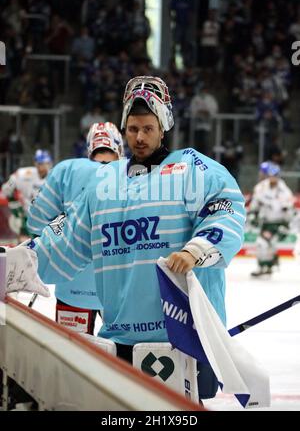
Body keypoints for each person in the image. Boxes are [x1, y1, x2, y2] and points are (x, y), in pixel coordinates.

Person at [30, 76, 246, 402]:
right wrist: (23, 260)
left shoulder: (194, 169)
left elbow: (225, 211)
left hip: (185, 335)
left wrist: (197, 249)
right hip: (121, 336)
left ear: (163, 126)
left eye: (147, 128)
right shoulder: (104, 182)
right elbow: (66, 241)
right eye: (132, 129)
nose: (140, 137)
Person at [26, 122, 124, 334]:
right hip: (121, 292)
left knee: (72, 358)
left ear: (90, 147)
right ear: (119, 147)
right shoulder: (135, 175)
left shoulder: (66, 170)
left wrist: (62, 223)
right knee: (121, 362)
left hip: (72, 288)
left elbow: (35, 221)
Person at [248, 162, 294, 277]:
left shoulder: (284, 191)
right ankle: (266, 265)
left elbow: (288, 209)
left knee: (266, 243)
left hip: (279, 222)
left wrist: (287, 224)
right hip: (266, 221)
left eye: (275, 176)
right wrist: (253, 214)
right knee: (262, 244)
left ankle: (267, 265)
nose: (272, 178)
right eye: (271, 175)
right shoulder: (261, 187)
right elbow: (255, 203)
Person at [1, 149, 52, 242]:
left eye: (46, 163)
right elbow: (6, 189)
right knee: (24, 244)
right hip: (27, 217)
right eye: (40, 163)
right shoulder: (24, 174)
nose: (43, 167)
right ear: (36, 163)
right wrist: (14, 204)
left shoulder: (54, 176)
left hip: (47, 218)